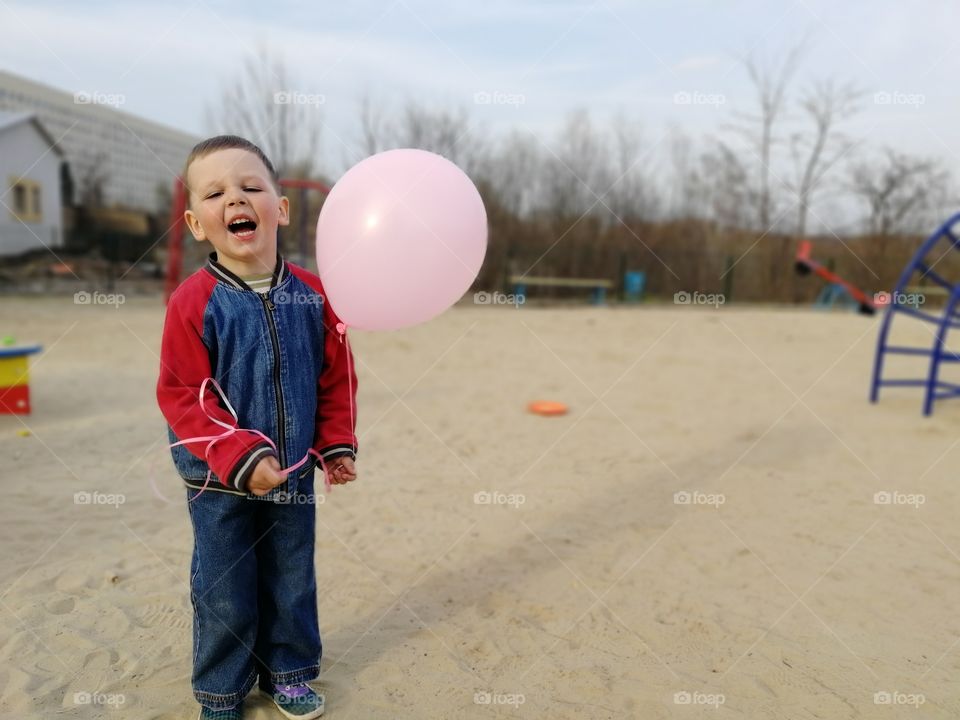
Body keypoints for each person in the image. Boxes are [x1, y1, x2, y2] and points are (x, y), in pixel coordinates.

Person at [156, 135, 358, 719]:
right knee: (224, 586)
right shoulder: (194, 303)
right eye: (216, 193)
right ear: (197, 223)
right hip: (218, 481)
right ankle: (222, 691)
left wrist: (334, 444)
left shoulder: (315, 296)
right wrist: (239, 456)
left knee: (291, 577)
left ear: (281, 208)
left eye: (251, 187)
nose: (235, 200)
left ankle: (289, 672)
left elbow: (334, 378)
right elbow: (180, 395)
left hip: (292, 471)